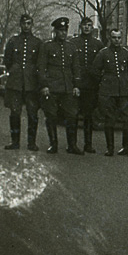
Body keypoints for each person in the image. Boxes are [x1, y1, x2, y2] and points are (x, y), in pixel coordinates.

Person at [92, 28, 128, 158]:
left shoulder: (127, 53)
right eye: (114, 38)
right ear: (110, 38)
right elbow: (95, 70)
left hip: (124, 91)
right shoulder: (103, 53)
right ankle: (110, 148)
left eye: (119, 37)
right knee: (110, 119)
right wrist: (103, 81)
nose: (117, 40)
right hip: (108, 91)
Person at [37, 17, 82, 154]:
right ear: (55, 31)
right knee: (51, 115)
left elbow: (76, 68)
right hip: (52, 87)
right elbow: (41, 67)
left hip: (68, 87)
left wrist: (76, 85)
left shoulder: (71, 47)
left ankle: (72, 145)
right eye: (60, 30)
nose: (63, 33)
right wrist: (44, 85)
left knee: (72, 116)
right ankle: (53, 144)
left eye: (65, 30)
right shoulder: (47, 46)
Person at [3, 13, 42, 151]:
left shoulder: (37, 42)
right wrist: (15, 71)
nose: (26, 26)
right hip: (16, 83)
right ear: (20, 24)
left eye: (29, 23)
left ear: (32, 25)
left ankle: (32, 143)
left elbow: (40, 63)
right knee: (15, 113)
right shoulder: (13, 41)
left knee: (32, 114)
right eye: (24, 23)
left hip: (31, 84)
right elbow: (7, 60)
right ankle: (15, 142)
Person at [72, 17, 104, 153]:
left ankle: (88, 144)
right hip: (76, 83)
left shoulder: (98, 45)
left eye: (89, 25)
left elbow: (102, 64)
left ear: (92, 28)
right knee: (73, 114)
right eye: (84, 25)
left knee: (89, 115)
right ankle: (72, 144)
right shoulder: (73, 43)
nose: (86, 28)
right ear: (80, 27)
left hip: (91, 85)